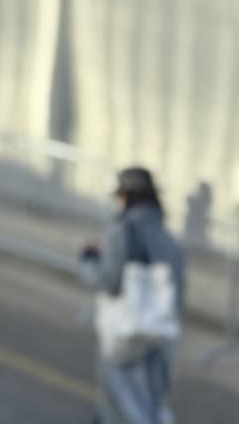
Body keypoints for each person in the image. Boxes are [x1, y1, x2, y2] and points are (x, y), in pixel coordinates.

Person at [80, 167, 185, 424]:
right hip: (159, 335)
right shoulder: (168, 239)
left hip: (124, 336)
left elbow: (109, 282)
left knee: (120, 406)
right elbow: (176, 295)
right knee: (149, 406)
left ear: (126, 196)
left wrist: (88, 260)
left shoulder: (122, 231)